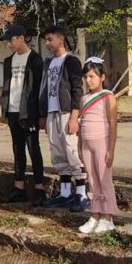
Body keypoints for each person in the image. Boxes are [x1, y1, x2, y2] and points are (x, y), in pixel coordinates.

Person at [38, 26, 86, 210]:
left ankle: (81, 193)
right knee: (58, 153)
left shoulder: (71, 61)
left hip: (66, 113)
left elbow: (77, 89)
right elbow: (44, 88)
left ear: (60, 39)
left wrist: (74, 116)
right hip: (51, 113)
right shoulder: (48, 63)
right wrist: (43, 114)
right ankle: (65, 193)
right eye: (46, 40)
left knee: (72, 151)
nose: (47, 44)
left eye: (50, 39)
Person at [0, 24, 45, 205]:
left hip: (29, 112)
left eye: (11, 40)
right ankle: (19, 188)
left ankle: (39, 188)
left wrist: (41, 114)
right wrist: (4, 107)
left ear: (21, 38)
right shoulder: (8, 61)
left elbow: (39, 89)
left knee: (33, 149)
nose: (9, 44)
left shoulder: (35, 60)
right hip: (12, 111)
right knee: (17, 149)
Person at [76, 59, 119, 235]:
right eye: (85, 77)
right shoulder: (83, 99)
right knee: (92, 180)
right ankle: (95, 214)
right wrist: (80, 145)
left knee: (103, 179)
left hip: (102, 141)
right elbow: (81, 123)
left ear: (102, 77)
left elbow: (113, 123)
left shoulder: (108, 96)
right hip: (87, 143)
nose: (88, 80)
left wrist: (111, 150)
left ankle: (107, 217)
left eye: (92, 76)